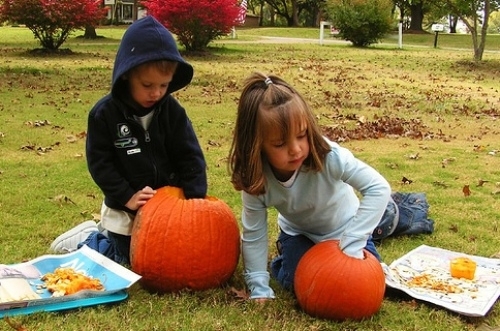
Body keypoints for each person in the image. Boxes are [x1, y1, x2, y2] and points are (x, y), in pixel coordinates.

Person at [228, 72, 433, 301]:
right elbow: (254, 234)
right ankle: (286, 259)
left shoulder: (329, 157)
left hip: (346, 229)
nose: (295, 149)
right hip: (300, 234)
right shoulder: (256, 180)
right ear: (257, 145)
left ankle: (397, 214)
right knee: (302, 286)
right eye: (279, 143)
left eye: (301, 135)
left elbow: (378, 188)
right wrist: (259, 288)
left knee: (364, 286)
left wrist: (352, 242)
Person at [49, 16, 208, 265]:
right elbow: (101, 164)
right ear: (126, 75)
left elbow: (190, 155)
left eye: (164, 85)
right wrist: (126, 195)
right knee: (125, 259)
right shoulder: (104, 115)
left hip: (165, 209)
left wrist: (195, 199)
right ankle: (91, 239)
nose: (156, 93)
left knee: (170, 258)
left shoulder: (172, 112)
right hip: (126, 208)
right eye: (147, 85)